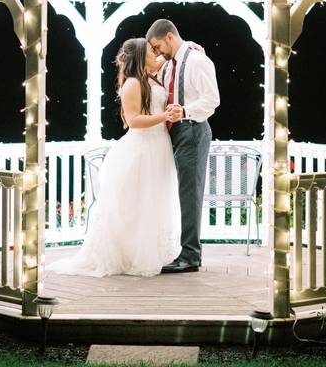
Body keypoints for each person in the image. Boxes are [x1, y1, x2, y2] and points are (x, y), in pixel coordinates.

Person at [48, 37, 182, 277]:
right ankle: (129, 255)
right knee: (136, 205)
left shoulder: (150, 75)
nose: (156, 54)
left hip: (158, 146)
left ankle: (149, 251)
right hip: (141, 148)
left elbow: (170, 55)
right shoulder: (132, 83)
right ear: (142, 57)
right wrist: (164, 117)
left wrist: (190, 46)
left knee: (152, 201)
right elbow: (133, 121)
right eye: (152, 51)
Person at [146, 19, 221, 273]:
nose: (156, 53)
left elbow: (212, 100)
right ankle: (180, 249)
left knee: (190, 194)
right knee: (177, 194)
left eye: (157, 47)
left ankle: (190, 255)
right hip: (173, 133)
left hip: (193, 129)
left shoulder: (199, 62)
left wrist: (185, 111)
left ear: (169, 37)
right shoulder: (169, 65)